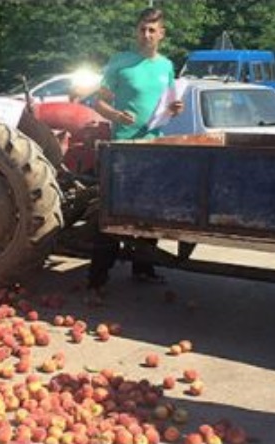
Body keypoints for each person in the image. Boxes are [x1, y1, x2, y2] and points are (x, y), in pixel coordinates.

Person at [86, 7, 184, 299]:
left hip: (155, 146)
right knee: (113, 213)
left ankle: (143, 268)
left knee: (150, 212)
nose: (146, 35)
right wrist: (115, 114)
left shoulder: (166, 65)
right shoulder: (120, 62)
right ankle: (97, 279)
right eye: (142, 29)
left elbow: (169, 105)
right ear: (135, 31)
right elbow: (97, 102)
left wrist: (175, 109)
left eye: (152, 30)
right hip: (123, 150)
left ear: (161, 34)